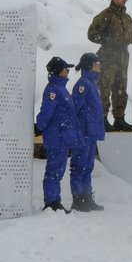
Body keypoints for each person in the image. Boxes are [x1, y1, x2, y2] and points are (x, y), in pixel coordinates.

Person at [85, 0, 132, 131]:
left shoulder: (127, 18)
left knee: (121, 89)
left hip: (122, 57)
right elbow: (91, 34)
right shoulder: (105, 15)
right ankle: (102, 119)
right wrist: (108, 40)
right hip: (107, 58)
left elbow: (131, 37)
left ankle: (119, 118)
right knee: (105, 89)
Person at [35, 56, 78, 213]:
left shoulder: (61, 88)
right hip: (57, 135)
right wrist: (40, 126)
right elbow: (46, 112)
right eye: (66, 68)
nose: (68, 71)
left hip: (63, 136)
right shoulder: (53, 89)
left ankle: (55, 200)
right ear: (59, 70)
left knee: (58, 170)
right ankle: (51, 202)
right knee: (54, 170)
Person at [69, 53, 106, 211]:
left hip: (91, 132)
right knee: (79, 166)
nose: (99, 66)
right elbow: (74, 108)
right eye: (97, 63)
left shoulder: (92, 84)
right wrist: (77, 128)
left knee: (88, 166)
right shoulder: (83, 84)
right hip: (83, 131)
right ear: (89, 65)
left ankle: (87, 197)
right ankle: (78, 199)